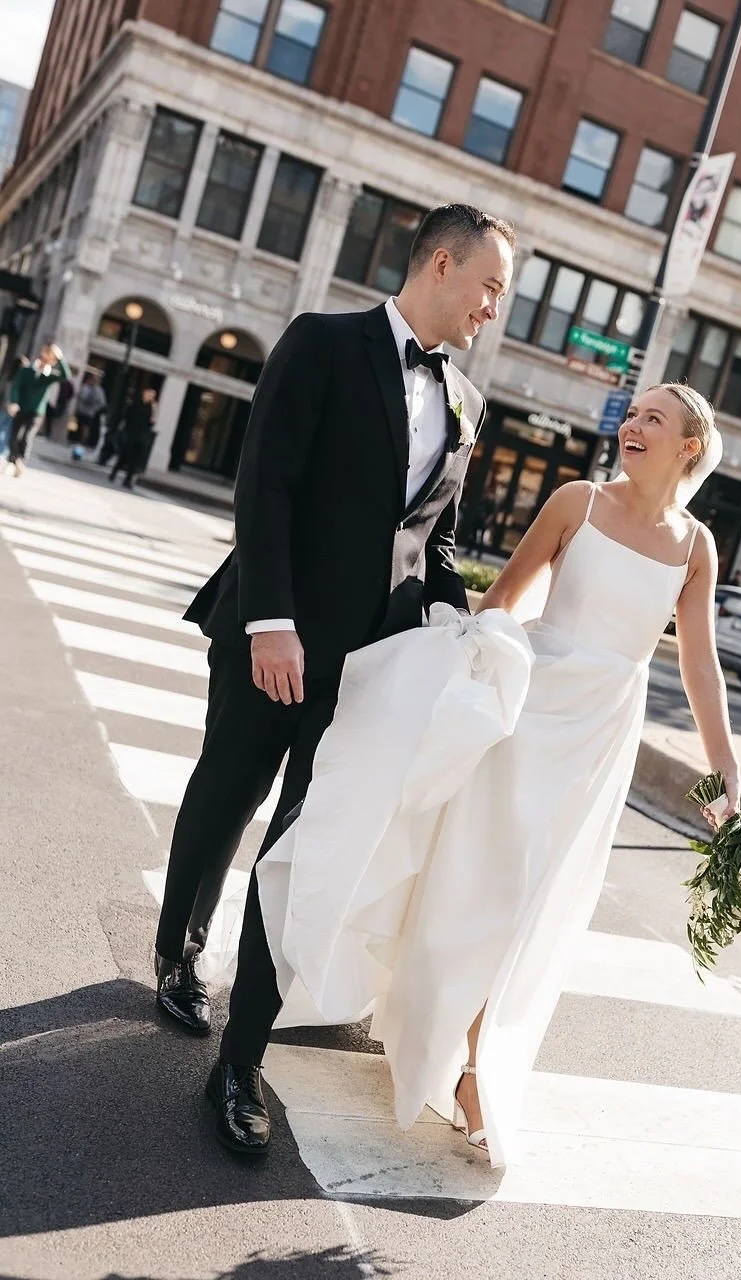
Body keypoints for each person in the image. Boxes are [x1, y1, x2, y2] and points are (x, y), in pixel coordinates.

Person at [188, 381, 741, 1164]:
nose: (634, 424)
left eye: (656, 418)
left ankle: (477, 1064)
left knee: (532, 901)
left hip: (600, 735)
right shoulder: (577, 501)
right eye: (634, 412)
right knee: (480, 882)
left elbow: (699, 664)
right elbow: (505, 602)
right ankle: (432, 1033)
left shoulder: (695, 547)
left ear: (690, 447)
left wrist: (723, 771)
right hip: (528, 709)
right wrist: (455, 680)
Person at [151, 205, 516, 1135]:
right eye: (489, 285)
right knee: (227, 795)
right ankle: (177, 951)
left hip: (367, 671)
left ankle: (240, 1064)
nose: (492, 307)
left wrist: (457, 628)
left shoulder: (469, 407)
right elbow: (264, 483)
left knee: (303, 851)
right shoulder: (320, 342)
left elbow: (433, 541)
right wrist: (271, 622)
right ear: (441, 264)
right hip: (268, 634)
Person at [5, 342, 72, 475]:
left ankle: (21, 461)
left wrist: (59, 358)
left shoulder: (48, 376)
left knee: (27, 436)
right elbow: (16, 387)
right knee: (15, 435)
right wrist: (14, 402)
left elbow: (66, 376)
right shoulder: (26, 371)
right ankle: (12, 461)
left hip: (37, 412)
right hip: (21, 408)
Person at [109, 387, 158, 489]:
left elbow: (151, 423)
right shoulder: (135, 404)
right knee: (125, 456)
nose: (150, 397)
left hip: (142, 436)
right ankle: (114, 472)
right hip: (131, 433)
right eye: (149, 394)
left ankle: (128, 479)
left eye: (152, 396)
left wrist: (154, 411)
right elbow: (127, 417)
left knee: (135, 460)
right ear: (144, 393)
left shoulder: (151, 407)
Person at [72, 371, 107, 450]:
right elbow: (80, 396)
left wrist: (95, 408)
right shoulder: (86, 387)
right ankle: (78, 441)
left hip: (89, 413)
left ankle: (82, 443)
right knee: (80, 427)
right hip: (82, 411)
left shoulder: (99, 391)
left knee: (85, 428)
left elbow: (102, 403)